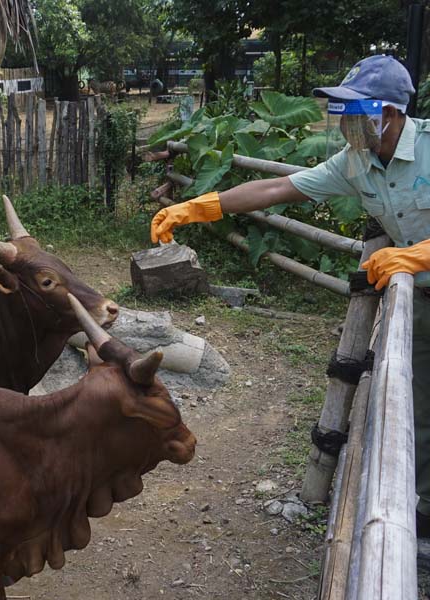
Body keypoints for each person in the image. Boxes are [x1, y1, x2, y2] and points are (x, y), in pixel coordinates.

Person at [150, 54, 430, 536]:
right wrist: (201, 205)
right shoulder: (356, 162)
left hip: (418, 277)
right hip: (422, 304)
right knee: (419, 409)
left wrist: (419, 255)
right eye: (340, 111)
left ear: (389, 113)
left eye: (354, 112)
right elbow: (280, 187)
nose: (344, 122)